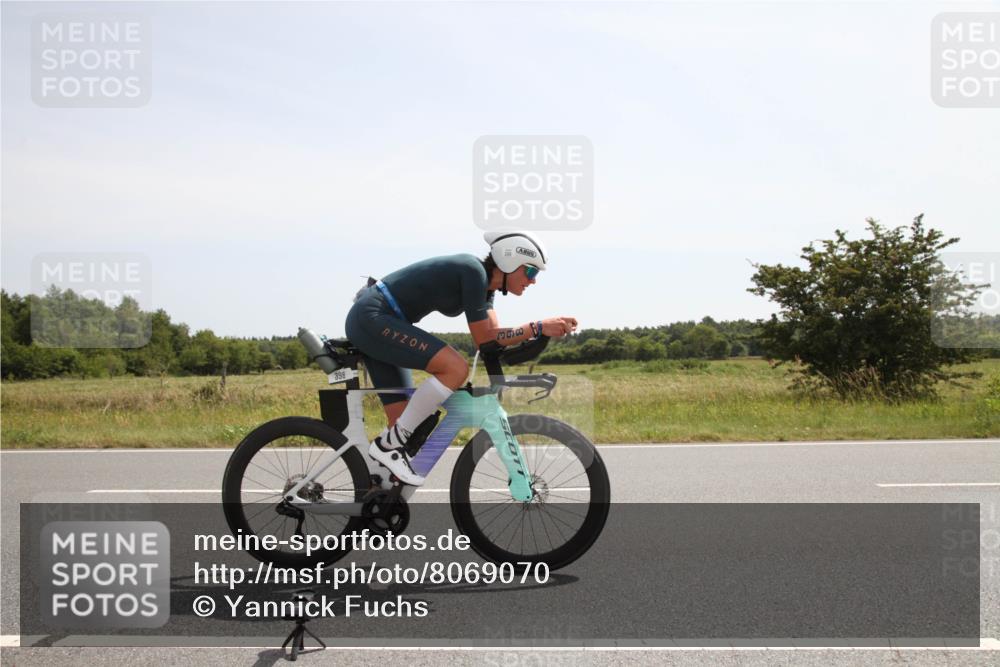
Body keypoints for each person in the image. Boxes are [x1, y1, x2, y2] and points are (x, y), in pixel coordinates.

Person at [344, 231, 578, 486]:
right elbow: (483, 337)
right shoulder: (472, 272)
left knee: (402, 422)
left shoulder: (486, 290)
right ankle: (389, 446)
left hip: (383, 323)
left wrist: (539, 335)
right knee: (455, 368)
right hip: (372, 317)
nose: (533, 281)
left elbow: (492, 341)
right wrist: (538, 326)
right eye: (531, 272)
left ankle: (374, 494)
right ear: (510, 261)